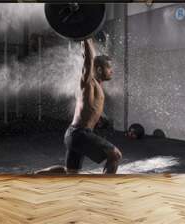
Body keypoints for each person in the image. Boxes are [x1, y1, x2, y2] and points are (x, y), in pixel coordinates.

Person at [35, 39, 122, 175]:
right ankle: (106, 190)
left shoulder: (97, 85)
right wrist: (86, 36)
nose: (112, 71)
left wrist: (88, 39)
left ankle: (35, 175)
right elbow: (88, 59)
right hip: (80, 134)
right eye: (109, 68)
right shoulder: (88, 83)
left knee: (70, 172)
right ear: (99, 69)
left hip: (76, 134)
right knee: (115, 155)